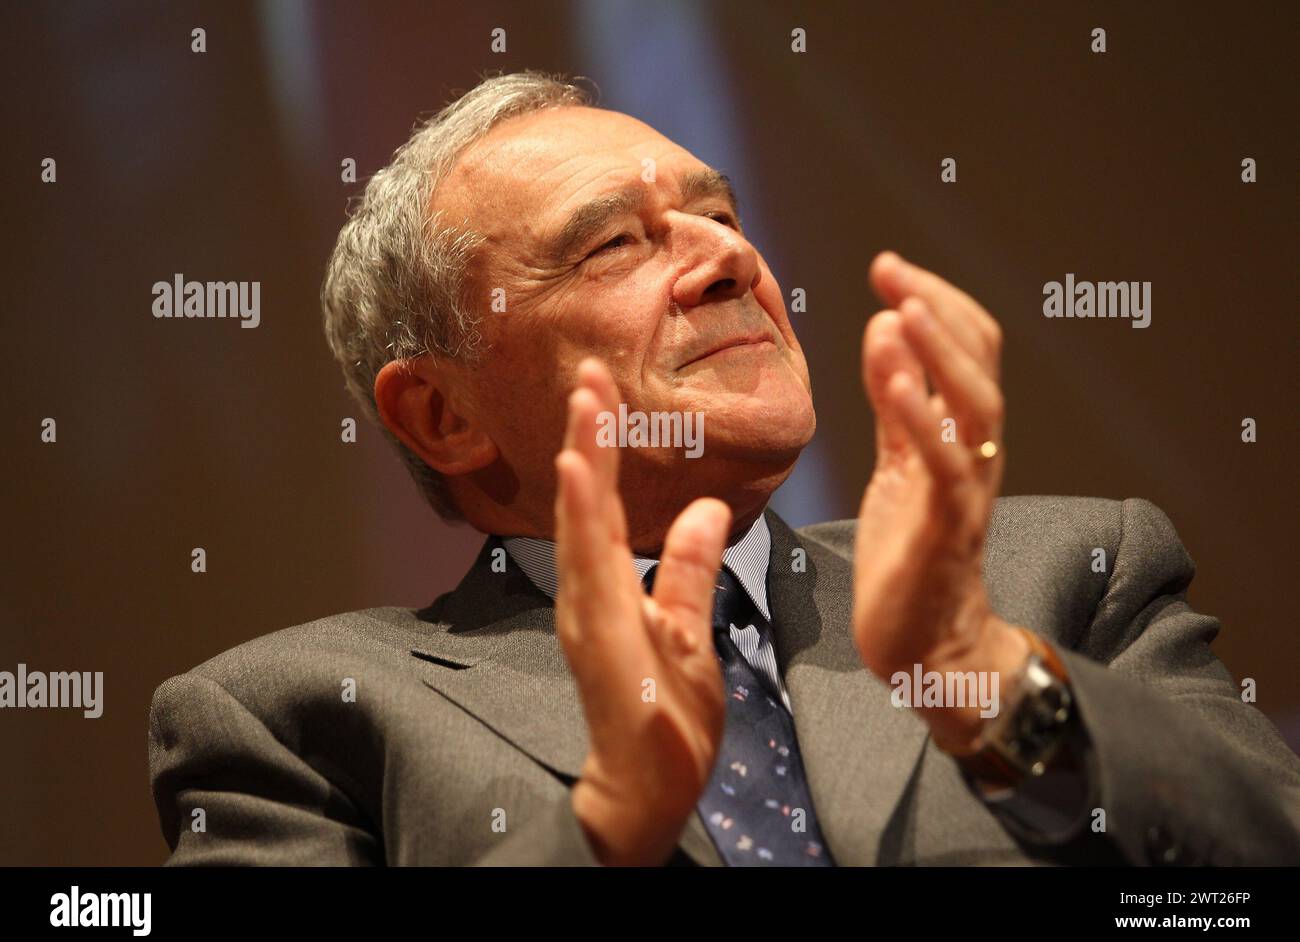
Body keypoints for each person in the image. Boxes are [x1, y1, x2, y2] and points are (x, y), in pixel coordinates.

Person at [148, 71, 1300, 866]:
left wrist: (978, 674)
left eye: (719, 214)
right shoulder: (291, 718)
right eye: (612, 243)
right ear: (442, 412)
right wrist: (606, 824)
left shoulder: (1060, 576)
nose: (729, 259)